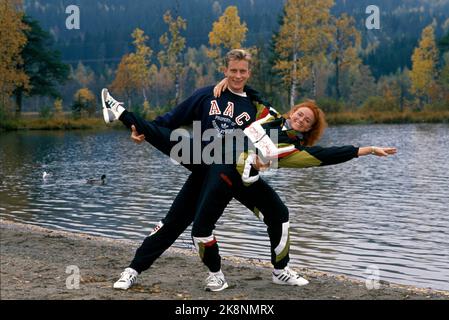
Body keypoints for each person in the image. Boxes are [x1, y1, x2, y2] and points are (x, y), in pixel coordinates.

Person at [104, 49, 310, 292]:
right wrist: (142, 131)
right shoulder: (206, 96)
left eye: (242, 71)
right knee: (173, 223)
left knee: (278, 212)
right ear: (225, 70)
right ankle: (133, 270)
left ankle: (281, 270)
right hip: (204, 166)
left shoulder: (252, 104)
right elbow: (171, 119)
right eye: (232, 71)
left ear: (248, 73)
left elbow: (273, 123)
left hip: (238, 172)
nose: (237, 75)